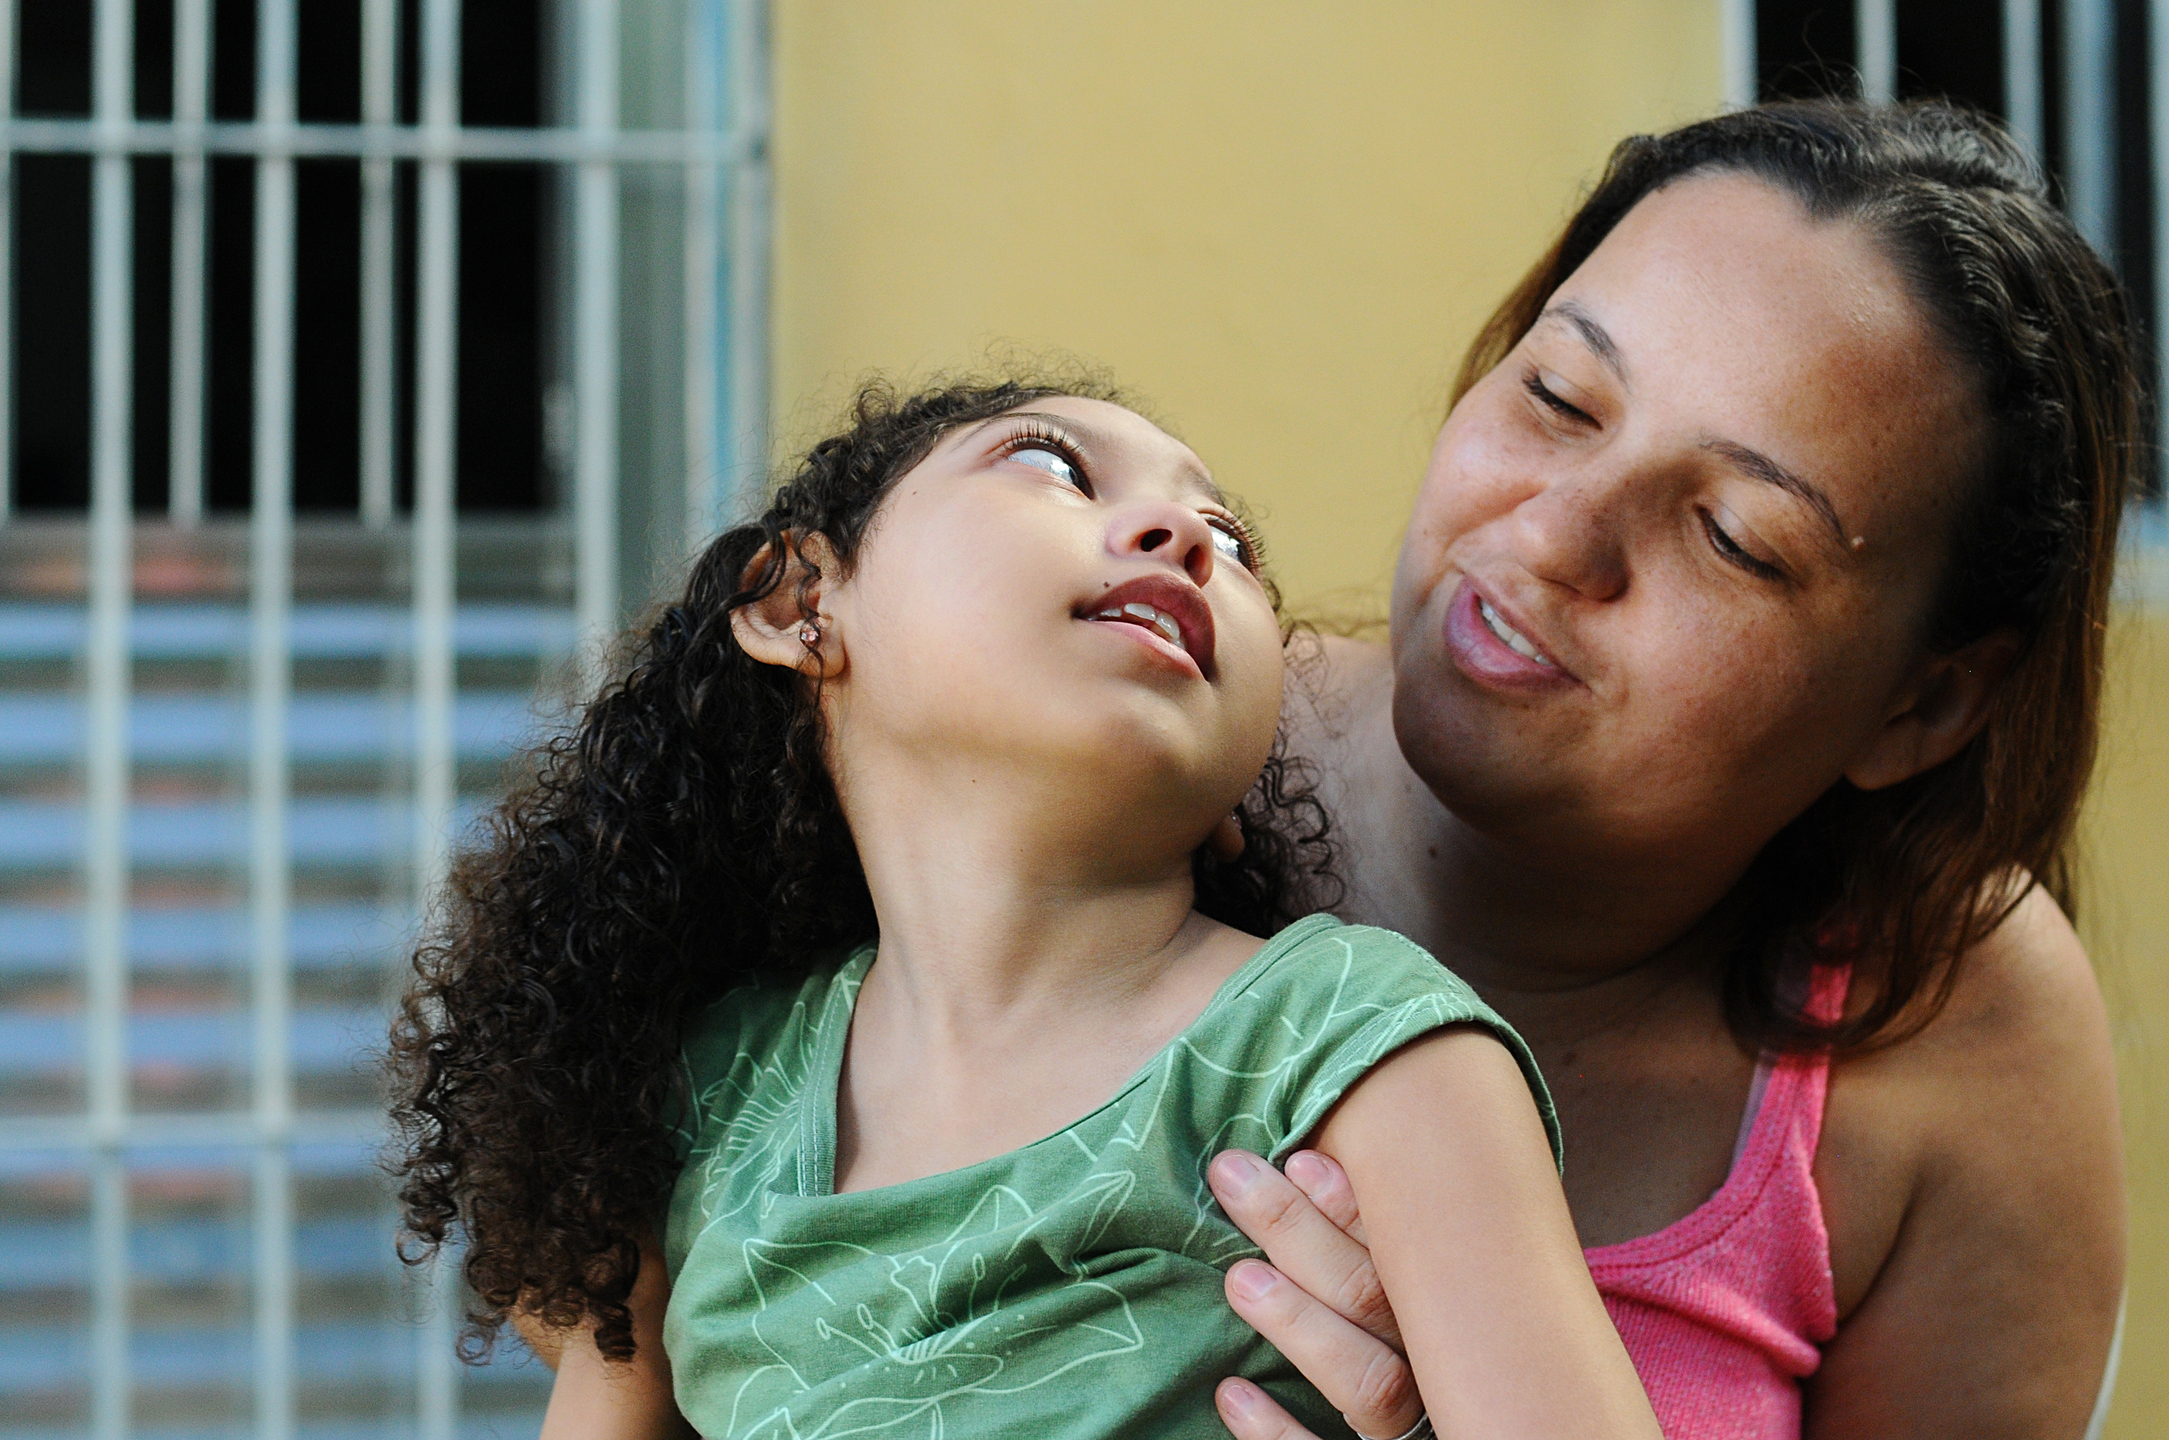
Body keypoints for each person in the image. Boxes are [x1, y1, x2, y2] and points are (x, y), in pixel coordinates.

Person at [387, 380, 1666, 1439]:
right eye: (1055, 467)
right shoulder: (707, 1093)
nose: (1184, 537)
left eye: (1232, 546)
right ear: (798, 606)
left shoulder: (1356, 1044)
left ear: (1236, 795)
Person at [1203, 100, 2132, 1440]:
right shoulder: (1148, 755)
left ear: (1923, 705)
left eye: (1735, 537)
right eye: (1558, 396)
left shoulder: (1949, 1020)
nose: (1554, 535)